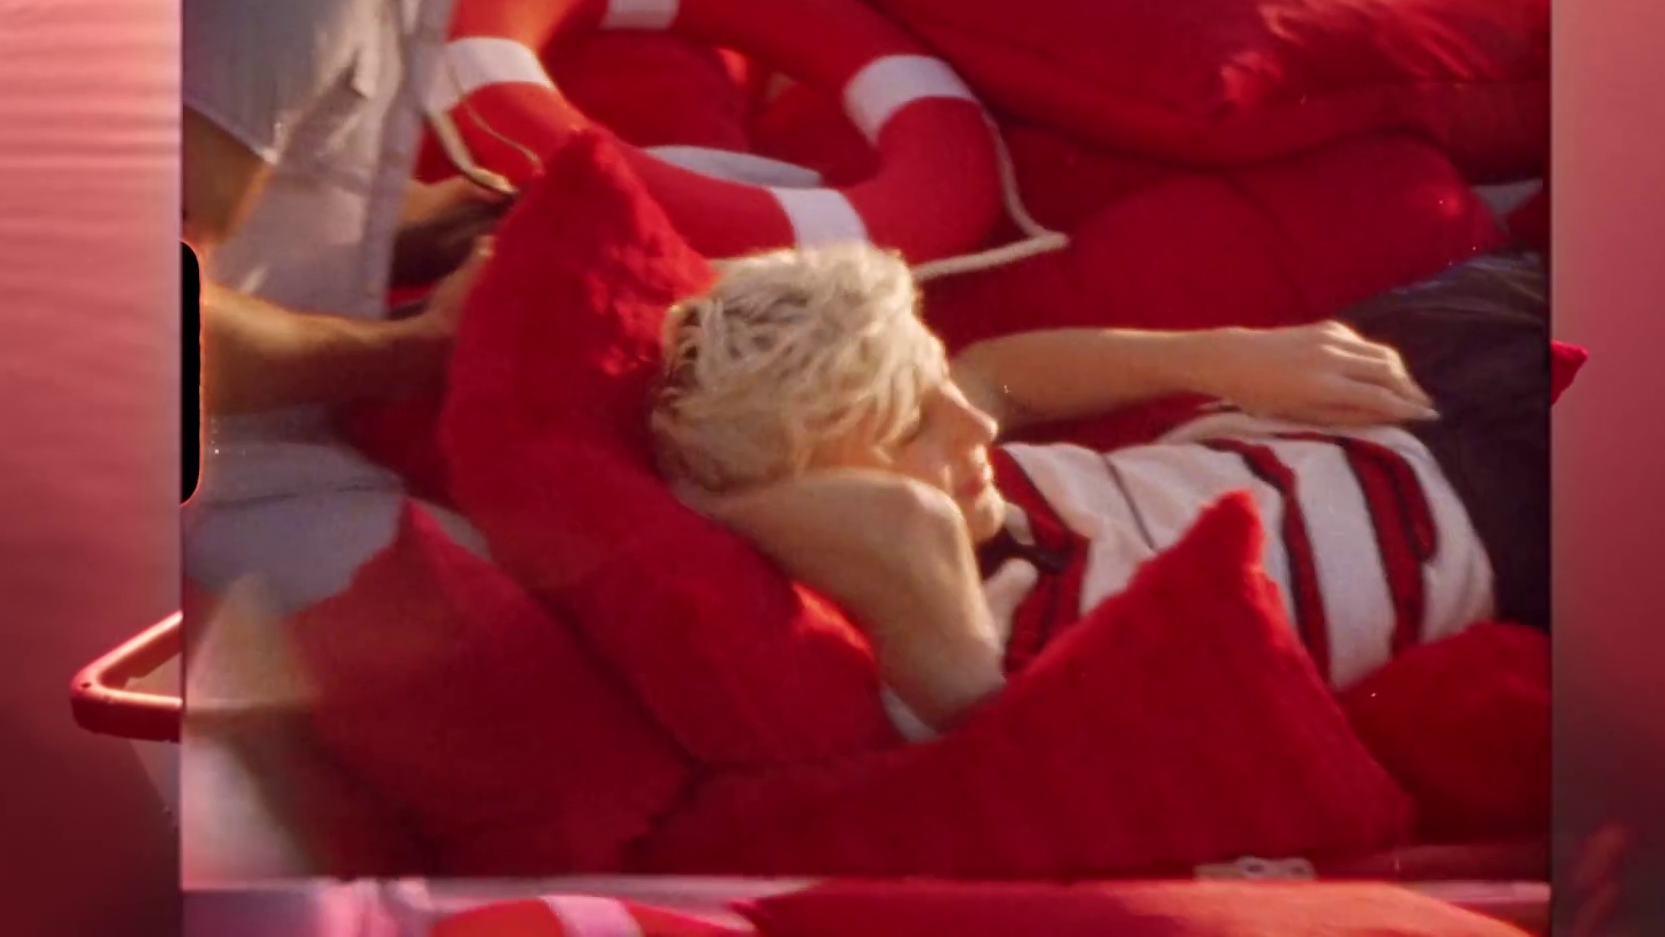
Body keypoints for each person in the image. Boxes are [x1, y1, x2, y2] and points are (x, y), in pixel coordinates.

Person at [649, 243, 1549, 739]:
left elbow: (994, 375)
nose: (976, 427)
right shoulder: (965, 671)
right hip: (1502, 515)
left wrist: (1223, 355)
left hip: (1362, 389)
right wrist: (726, 511)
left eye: (934, 387)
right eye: (914, 426)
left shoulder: (966, 474)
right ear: (828, 506)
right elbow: (1023, 756)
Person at [181, 0, 503, 617]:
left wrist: (413, 234)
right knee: (505, 633)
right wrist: (424, 346)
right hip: (191, 480)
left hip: (256, 448)